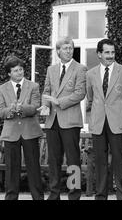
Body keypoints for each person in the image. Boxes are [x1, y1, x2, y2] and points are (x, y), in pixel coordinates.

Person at [86, 38, 122, 200]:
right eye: (107, 52)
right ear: (99, 54)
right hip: (98, 123)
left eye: (112, 52)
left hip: (118, 122)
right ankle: (101, 195)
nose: (110, 55)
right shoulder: (90, 74)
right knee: (100, 161)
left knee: (119, 161)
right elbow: (91, 98)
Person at [39, 36, 87, 200]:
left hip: (71, 121)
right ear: (58, 51)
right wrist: (45, 105)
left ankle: (74, 195)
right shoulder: (51, 69)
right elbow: (46, 92)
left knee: (73, 161)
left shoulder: (80, 68)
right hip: (52, 121)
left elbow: (80, 93)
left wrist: (58, 101)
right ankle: (54, 194)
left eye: (71, 48)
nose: (69, 51)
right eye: (65, 48)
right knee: (54, 161)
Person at [0, 56, 44, 200]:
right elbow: (1, 111)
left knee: (34, 169)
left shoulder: (33, 86)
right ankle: (11, 197)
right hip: (10, 134)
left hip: (30, 132)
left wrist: (21, 109)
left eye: (21, 69)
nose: (19, 72)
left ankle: (38, 197)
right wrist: (10, 111)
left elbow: (35, 107)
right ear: (9, 73)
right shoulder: (2, 89)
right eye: (15, 70)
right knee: (11, 169)